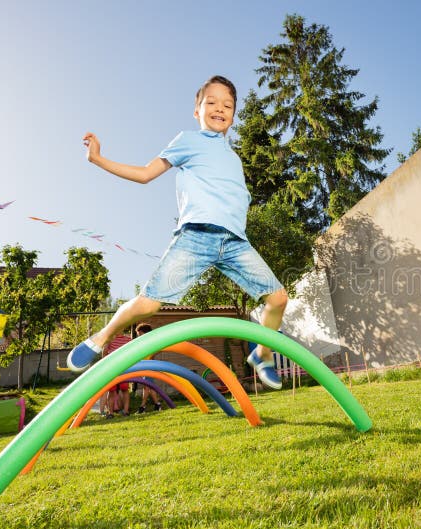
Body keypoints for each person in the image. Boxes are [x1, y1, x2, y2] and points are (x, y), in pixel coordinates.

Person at [67, 75, 287, 389]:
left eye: (227, 105)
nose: (219, 109)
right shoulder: (188, 140)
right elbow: (145, 174)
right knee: (149, 305)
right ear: (197, 111)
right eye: (210, 102)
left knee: (278, 299)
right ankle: (100, 338)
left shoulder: (234, 159)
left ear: (233, 116)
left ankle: (262, 354)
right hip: (196, 237)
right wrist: (99, 159)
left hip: (235, 243)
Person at [134, 323, 162, 413]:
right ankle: (157, 405)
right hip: (144, 365)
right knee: (149, 386)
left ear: (144, 333)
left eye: (139, 334)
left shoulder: (150, 340)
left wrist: (151, 356)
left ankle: (142, 407)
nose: (138, 336)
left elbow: (159, 349)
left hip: (149, 365)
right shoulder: (144, 341)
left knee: (146, 386)